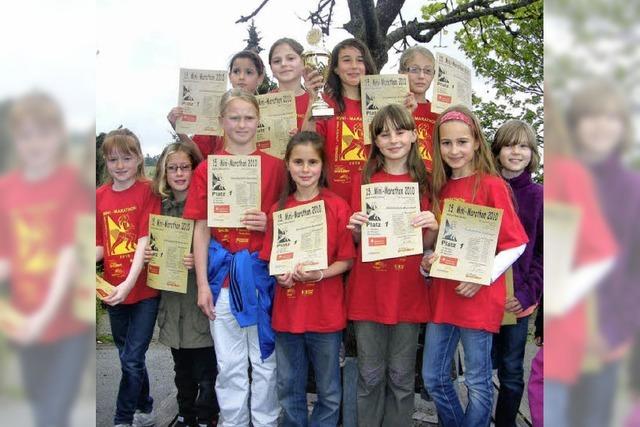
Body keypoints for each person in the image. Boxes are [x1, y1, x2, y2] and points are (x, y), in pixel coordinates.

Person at [420, 105, 528, 427]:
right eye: (447, 143)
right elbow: (434, 245)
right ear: (438, 146)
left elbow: (516, 243)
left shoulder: (492, 185)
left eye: (462, 142)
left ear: (476, 143)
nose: (454, 150)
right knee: (434, 378)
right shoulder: (438, 187)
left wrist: (482, 276)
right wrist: (427, 261)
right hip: (443, 296)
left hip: (478, 297)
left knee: (478, 384)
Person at [183, 89, 284, 427]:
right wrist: (201, 285)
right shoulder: (206, 170)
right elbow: (201, 228)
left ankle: (266, 421)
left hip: (262, 276)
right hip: (221, 277)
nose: (242, 124)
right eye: (234, 117)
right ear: (221, 122)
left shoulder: (277, 167)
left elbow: (292, 220)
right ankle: (233, 422)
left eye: (249, 117)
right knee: (230, 365)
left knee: (266, 360)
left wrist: (269, 222)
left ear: (259, 121)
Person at [0, 92, 92, 427]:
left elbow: (69, 259)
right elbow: (6, 258)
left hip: (67, 321)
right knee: (40, 409)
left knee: (54, 412)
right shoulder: (5, 189)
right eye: (25, 135)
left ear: (57, 137)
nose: (34, 143)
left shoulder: (71, 186)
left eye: (42, 133)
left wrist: (41, 319)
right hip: (23, 322)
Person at [346, 104, 438, 427]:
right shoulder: (363, 178)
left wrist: (433, 226)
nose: (393, 140)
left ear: (414, 135)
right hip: (368, 292)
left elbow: (425, 248)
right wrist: (356, 229)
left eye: (400, 132)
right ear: (375, 140)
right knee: (369, 377)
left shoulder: (426, 182)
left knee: (401, 379)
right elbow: (355, 244)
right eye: (384, 134)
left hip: (408, 292)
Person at [259, 131, 355, 426]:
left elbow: (347, 259)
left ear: (323, 166)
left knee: (328, 390)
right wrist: (282, 277)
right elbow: (272, 262)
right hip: (287, 315)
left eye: (312, 162)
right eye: (298, 161)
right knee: (289, 386)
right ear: (287, 164)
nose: (305, 169)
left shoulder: (337, 206)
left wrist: (320, 274)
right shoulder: (278, 210)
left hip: (325, 315)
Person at [144, 142, 220, 427]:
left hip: (198, 299)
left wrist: (201, 258)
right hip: (172, 301)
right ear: (164, 172)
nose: (178, 173)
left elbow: (222, 247)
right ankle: (185, 413)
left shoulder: (208, 206)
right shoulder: (159, 208)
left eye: (184, 167)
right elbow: (144, 244)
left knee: (206, 369)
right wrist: (149, 255)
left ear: (195, 169)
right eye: (172, 168)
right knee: (181, 369)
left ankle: (206, 416)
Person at [96, 128, 162, 427]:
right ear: (105, 162)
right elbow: (100, 244)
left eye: (127, 157)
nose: (120, 165)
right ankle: (146, 406)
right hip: (111, 289)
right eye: (113, 159)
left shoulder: (149, 191)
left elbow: (143, 242)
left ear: (138, 159)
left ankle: (122, 418)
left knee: (132, 358)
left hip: (143, 290)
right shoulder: (98, 196)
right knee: (127, 356)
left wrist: (128, 284)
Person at [490, 120, 543, 426]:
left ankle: (505, 422)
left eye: (523, 146)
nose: (516, 152)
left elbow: (544, 254)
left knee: (511, 372)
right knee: (479, 369)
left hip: (516, 301)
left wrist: (526, 294)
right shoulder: (484, 186)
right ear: (497, 151)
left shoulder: (539, 196)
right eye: (509, 145)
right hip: (481, 295)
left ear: (531, 153)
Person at [301, 38, 377, 202]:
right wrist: (312, 99)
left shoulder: (378, 106)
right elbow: (306, 142)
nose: (354, 66)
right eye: (346, 60)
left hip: (373, 194)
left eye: (360, 60)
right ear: (334, 68)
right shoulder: (325, 104)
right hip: (334, 198)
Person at [167, 50, 267, 158]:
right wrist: (179, 128)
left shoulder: (272, 110)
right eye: (236, 71)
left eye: (249, 72)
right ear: (229, 76)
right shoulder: (216, 111)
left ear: (260, 78)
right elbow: (200, 157)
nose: (241, 77)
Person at [398, 45, 439, 171]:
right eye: (414, 70)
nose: (421, 76)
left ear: (433, 76)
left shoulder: (439, 113)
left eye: (427, 71)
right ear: (401, 73)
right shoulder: (392, 110)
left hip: (432, 184)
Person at [268, 38, 310, 131]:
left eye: (290, 58)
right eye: (277, 61)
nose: (283, 64)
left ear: (303, 62)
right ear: (271, 68)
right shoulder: (262, 103)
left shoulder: (316, 101)